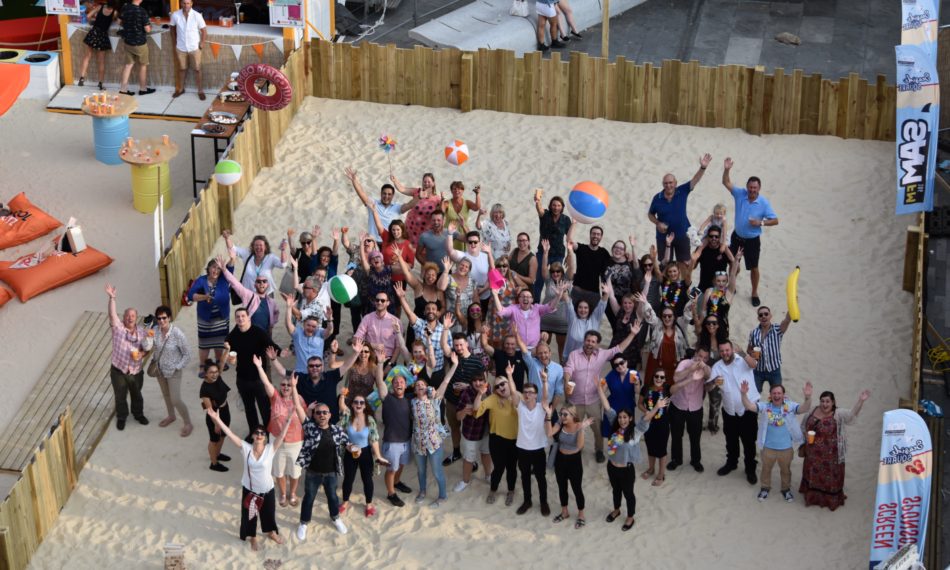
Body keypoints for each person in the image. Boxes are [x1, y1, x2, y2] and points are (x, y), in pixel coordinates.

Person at [206, 405, 292, 550]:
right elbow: (230, 434)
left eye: (262, 433)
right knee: (250, 517)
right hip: (250, 490)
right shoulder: (245, 448)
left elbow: (282, 436)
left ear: (265, 437)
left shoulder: (270, 449)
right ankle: (253, 537)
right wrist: (217, 419)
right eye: (256, 433)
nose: (259, 435)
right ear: (252, 435)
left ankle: (271, 533)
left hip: (267, 490)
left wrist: (289, 419)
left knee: (269, 514)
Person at [595, 379, 667, 531]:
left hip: (626, 469)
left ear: (630, 419)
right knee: (615, 491)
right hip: (612, 467)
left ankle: (630, 517)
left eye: (625, 417)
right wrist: (599, 390)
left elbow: (646, 418)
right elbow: (607, 407)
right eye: (620, 417)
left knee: (628, 494)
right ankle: (616, 510)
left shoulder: (635, 432)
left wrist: (656, 407)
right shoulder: (615, 425)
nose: (622, 420)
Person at [563, 326, 641, 463]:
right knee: (575, 427)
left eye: (593, 342)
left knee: (598, 429)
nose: (590, 344)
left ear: (597, 344)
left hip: (593, 400)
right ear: (584, 341)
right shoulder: (574, 355)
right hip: (575, 400)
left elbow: (618, 349)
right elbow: (568, 369)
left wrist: (632, 334)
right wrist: (567, 380)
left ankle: (599, 450)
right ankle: (578, 448)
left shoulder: (602, 354)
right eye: (588, 340)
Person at [722, 157, 779, 307]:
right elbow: (726, 183)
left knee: (754, 267)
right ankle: (731, 286)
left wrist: (761, 222)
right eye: (750, 187)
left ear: (759, 188)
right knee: (733, 262)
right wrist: (727, 169)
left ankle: (754, 293)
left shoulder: (764, 203)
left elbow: (775, 220)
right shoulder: (740, 194)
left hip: (753, 240)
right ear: (747, 187)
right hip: (737, 237)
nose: (752, 190)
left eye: (755, 187)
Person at [741, 381, 812, 502]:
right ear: (770, 395)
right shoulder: (764, 406)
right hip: (768, 447)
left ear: (783, 395)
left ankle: (786, 489)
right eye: (774, 393)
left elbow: (804, 408)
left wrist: (808, 397)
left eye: (779, 393)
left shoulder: (790, 406)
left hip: (786, 448)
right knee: (766, 470)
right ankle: (765, 488)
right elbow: (749, 406)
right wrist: (743, 394)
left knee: (786, 471)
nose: (776, 395)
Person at [800, 389, 870, 510]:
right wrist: (806, 433)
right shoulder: (813, 410)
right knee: (813, 476)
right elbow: (804, 425)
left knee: (830, 479)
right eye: (822, 401)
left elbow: (852, 413)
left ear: (833, 402)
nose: (825, 404)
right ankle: (813, 497)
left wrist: (861, 401)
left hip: (831, 456)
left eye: (827, 401)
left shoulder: (838, 413)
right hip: (812, 455)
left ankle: (830, 500)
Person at [253, 354, 305, 509]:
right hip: (277, 442)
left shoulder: (299, 399)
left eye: (289, 385)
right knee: (279, 471)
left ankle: (293, 492)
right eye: (283, 384)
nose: (286, 387)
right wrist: (259, 367)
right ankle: (283, 493)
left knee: (295, 472)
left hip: (296, 442)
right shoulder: (275, 397)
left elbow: (305, 415)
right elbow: (267, 384)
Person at [295, 402, 352, 538]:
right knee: (308, 498)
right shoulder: (309, 428)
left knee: (332, 497)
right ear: (314, 415)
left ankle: (336, 518)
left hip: (331, 474)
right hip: (312, 474)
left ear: (329, 415)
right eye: (319, 412)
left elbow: (348, 444)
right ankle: (303, 523)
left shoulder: (337, 430)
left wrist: (355, 448)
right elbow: (298, 407)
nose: (322, 414)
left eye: (324, 412)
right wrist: (294, 386)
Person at [222, 308, 282, 440]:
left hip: (259, 380)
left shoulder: (258, 332)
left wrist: (281, 352)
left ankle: (269, 434)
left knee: (265, 409)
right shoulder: (234, 334)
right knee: (249, 410)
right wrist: (228, 356)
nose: (240, 319)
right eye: (238, 316)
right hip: (242, 380)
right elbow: (227, 343)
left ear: (248, 318)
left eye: (243, 316)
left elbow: (270, 344)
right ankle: (254, 433)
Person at [411, 352, 459, 508]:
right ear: (415, 390)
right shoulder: (411, 403)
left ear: (427, 388)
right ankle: (423, 492)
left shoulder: (435, 399)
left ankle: (442, 497)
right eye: (418, 386)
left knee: (437, 472)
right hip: (419, 444)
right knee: (420, 472)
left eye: (423, 385)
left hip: (434, 443)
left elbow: (445, 381)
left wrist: (454, 365)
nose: (420, 387)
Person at [708, 341, 760, 484]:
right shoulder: (717, 367)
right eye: (722, 351)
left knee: (749, 441)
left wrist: (743, 353)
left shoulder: (741, 360)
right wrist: (712, 383)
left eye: (727, 350)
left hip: (748, 408)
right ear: (719, 352)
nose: (725, 353)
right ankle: (732, 462)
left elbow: (754, 365)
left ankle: (750, 468)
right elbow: (708, 387)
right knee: (731, 439)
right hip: (729, 410)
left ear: (732, 350)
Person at [648, 153, 713, 262]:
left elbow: (695, 180)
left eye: (671, 183)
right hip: (663, 237)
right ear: (663, 184)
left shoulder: (682, 191)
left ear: (676, 183)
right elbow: (650, 214)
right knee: (665, 264)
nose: (669, 185)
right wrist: (658, 223)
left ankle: (682, 280)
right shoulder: (657, 198)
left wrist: (703, 167)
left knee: (685, 263)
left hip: (682, 234)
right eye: (666, 183)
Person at [105, 284, 153, 430]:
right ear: (124, 317)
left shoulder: (142, 332)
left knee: (137, 395)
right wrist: (112, 297)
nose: (130, 318)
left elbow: (147, 348)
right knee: (120, 397)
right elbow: (112, 314)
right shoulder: (118, 328)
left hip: (136, 371)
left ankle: (138, 414)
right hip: (118, 371)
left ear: (136, 318)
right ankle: (121, 417)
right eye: (127, 315)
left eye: (132, 316)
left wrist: (142, 354)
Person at [439, 321, 488, 465]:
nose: (459, 348)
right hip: (452, 400)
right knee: (454, 427)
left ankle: (471, 458)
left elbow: (484, 385)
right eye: (456, 345)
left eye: (461, 344)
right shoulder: (453, 357)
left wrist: (467, 386)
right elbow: (443, 346)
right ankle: (456, 452)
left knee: (469, 432)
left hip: (470, 402)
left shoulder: (477, 362)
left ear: (467, 344)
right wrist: (446, 328)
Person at [474, 364, 521, 506]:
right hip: (497, 439)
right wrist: (480, 394)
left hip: (515, 440)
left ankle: (511, 491)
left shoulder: (518, 397)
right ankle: (493, 489)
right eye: (497, 386)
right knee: (499, 467)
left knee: (512, 467)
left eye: (503, 384)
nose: (501, 387)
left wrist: (510, 376)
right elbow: (476, 408)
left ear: (508, 384)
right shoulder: (493, 399)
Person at [544, 401, 594, 529]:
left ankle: (581, 515)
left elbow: (580, 446)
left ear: (573, 415)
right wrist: (549, 415)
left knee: (576, 488)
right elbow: (549, 433)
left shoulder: (579, 426)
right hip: (561, 459)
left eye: (565, 414)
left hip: (574, 460)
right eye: (561, 414)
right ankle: (564, 512)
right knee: (562, 487)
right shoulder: (560, 423)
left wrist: (582, 429)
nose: (562, 417)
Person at [374, 360, 417, 507]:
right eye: (396, 382)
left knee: (401, 465)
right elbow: (379, 381)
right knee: (391, 470)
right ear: (392, 386)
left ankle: (397, 483)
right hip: (391, 442)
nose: (399, 384)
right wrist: (380, 363)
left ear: (406, 385)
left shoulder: (410, 398)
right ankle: (391, 493)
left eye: (401, 382)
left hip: (406, 440)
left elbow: (424, 390)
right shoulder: (388, 398)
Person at [337, 393, 387, 517]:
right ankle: (345, 503)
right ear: (352, 404)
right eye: (356, 402)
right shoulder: (348, 417)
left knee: (367, 480)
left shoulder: (369, 420)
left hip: (366, 453)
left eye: (362, 402)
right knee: (348, 479)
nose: (359, 404)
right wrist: (343, 395)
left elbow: (374, 440)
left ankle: (368, 505)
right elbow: (341, 406)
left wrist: (379, 456)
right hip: (350, 452)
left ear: (365, 406)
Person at [344, 166, 416, 245]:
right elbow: (361, 193)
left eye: (389, 194)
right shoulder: (372, 203)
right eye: (384, 193)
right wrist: (354, 180)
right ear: (381, 194)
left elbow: (409, 205)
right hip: (372, 243)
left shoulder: (397, 207)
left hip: (389, 243)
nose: (386, 196)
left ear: (393, 196)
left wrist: (419, 197)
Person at [149, 304, 193, 436]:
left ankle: (187, 423)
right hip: (160, 370)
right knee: (166, 395)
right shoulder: (155, 330)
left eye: (164, 317)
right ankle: (171, 416)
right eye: (159, 318)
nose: (161, 321)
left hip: (174, 372)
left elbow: (187, 353)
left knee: (176, 399)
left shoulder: (177, 334)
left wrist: (178, 367)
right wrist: (147, 338)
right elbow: (148, 346)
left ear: (169, 318)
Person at [296, 338, 361, 425]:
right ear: (307, 368)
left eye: (318, 365)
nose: (315, 367)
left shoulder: (330, 376)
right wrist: (274, 359)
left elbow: (345, 366)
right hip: (309, 423)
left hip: (330, 422)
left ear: (322, 367)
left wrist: (356, 353)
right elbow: (282, 371)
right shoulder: (300, 378)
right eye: (311, 366)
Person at [494, 274, 567, 351]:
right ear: (519, 299)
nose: (525, 298)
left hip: (533, 349)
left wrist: (558, 296)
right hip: (516, 348)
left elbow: (551, 307)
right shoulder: (513, 308)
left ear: (532, 300)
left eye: (528, 296)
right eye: (522, 296)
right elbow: (501, 311)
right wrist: (495, 295)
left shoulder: (537, 308)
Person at [188, 258, 233, 378]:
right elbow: (190, 295)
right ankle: (203, 365)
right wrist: (204, 297)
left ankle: (219, 360)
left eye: (218, 267)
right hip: (205, 318)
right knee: (204, 342)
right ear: (208, 268)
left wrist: (232, 258)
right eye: (214, 267)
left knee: (220, 340)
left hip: (222, 317)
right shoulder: (201, 280)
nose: (216, 270)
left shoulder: (224, 278)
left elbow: (231, 268)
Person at [668, 347, 711, 473]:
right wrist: (691, 369)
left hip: (695, 407)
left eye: (705, 358)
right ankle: (676, 459)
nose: (702, 359)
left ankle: (695, 460)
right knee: (676, 434)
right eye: (700, 356)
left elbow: (708, 379)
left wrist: (703, 367)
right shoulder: (685, 363)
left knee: (695, 436)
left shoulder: (706, 369)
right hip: (678, 405)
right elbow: (676, 378)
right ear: (696, 354)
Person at [640, 292, 694, 391]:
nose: (667, 318)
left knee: (675, 394)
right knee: (655, 392)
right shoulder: (657, 324)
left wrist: (692, 301)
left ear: (674, 317)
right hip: (657, 364)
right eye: (664, 316)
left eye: (670, 316)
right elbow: (650, 316)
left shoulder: (680, 323)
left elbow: (687, 314)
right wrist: (645, 302)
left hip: (677, 365)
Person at [219, 253, 279, 340]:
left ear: (268, 285)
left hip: (264, 336)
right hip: (249, 336)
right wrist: (224, 270)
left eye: (264, 281)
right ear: (254, 285)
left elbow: (276, 312)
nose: (261, 283)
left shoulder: (271, 302)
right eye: (258, 281)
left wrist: (271, 325)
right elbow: (235, 284)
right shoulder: (248, 295)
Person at [515, 372, 550, 516]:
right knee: (525, 477)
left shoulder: (541, 407)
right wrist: (510, 376)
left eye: (530, 392)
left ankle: (543, 502)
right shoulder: (520, 406)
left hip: (538, 449)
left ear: (536, 395)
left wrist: (545, 381)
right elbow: (512, 391)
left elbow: (546, 397)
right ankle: (527, 501)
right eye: (525, 392)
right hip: (522, 449)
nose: (527, 394)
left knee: (541, 477)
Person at [453, 371, 493, 493]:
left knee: (486, 454)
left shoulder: (488, 389)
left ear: (485, 381)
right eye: (475, 381)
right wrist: (465, 411)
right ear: (471, 383)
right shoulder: (466, 394)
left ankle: (488, 476)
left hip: (486, 431)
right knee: (469, 459)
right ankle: (465, 481)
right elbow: (458, 417)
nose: (478, 383)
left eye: (480, 380)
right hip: (471, 433)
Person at [392, 257, 444, 346]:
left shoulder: (439, 291)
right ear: (424, 275)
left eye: (433, 275)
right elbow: (406, 273)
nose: (430, 277)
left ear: (436, 277)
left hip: (433, 324)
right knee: (412, 352)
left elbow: (444, 307)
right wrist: (400, 256)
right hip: (416, 324)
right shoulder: (418, 286)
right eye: (428, 274)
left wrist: (438, 315)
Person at [394, 281, 445, 370]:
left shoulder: (444, 329)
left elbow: (448, 353)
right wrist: (401, 297)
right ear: (424, 312)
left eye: (433, 309)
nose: (431, 311)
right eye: (428, 309)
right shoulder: (420, 325)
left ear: (438, 313)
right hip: (419, 369)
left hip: (437, 371)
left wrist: (443, 371)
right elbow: (409, 313)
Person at [283, 291, 332, 380]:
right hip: (300, 373)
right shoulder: (297, 333)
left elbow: (329, 331)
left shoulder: (320, 333)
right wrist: (289, 308)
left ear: (317, 327)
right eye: (308, 325)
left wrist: (329, 319)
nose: (310, 328)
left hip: (318, 373)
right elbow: (288, 324)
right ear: (304, 324)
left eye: (313, 326)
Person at [533, 193, 572, 301]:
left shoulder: (565, 219)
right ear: (551, 206)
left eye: (559, 205)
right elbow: (540, 210)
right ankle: (536, 305)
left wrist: (569, 255)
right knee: (539, 280)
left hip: (558, 254)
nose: (556, 208)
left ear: (562, 207)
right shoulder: (545, 214)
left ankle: (557, 305)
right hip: (543, 252)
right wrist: (537, 201)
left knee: (557, 280)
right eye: (554, 205)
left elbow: (569, 238)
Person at [224, 232, 288, 296]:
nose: (258, 247)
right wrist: (227, 238)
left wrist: (283, 250)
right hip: (249, 295)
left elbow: (283, 265)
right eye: (256, 245)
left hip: (266, 294)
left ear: (265, 247)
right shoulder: (247, 254)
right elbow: (232, 249)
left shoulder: (271, 257)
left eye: (261, 245)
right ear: (253, 246)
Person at [637, 367, 672, 486]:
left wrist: (692, 378)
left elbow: (680, 386)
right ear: (653, 377)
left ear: (665, 379)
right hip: (649, 423)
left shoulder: (667, 389)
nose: (659, 378)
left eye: (662, 377)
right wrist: (646, 410)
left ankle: (661, 475)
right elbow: (640, 403)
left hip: (662, 424)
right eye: (656, 376)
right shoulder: (646, 388)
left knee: (661, 450)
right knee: (650, 447)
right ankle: (651, 470)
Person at [566, 222, 612, 310]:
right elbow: (569, 241)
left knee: (593, 322)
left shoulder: (604, 253)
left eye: (598, 234)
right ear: (590, 235)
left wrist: (627, 256)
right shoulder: (582, 249)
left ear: (601, 237)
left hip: (593, 295)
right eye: (593, 233)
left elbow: (612, 262)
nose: (595, 236)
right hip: (577, 293)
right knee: (573, 320)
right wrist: (574, 224)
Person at [748, 306, 793, 394]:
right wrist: (751, 353)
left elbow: (787, 320)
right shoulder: (754, 333)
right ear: (758, 318)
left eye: (766, 314)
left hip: (774, 370)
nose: (763, 316)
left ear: (770, 316)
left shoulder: (777, 329)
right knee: (755, 395)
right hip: (758, 371)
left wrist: (793, 304)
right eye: (761, 315)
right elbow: (749, 349)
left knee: (777, 395)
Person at [538, 240, 572, 356]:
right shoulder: (548, 280)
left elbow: (572, 266)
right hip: (546, 320)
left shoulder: (567, 279)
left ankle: (562, 373)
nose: (555, 273)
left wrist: (570, 251)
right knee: (543, 350)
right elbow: (543, 267)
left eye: (558, 271)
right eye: (553, 271)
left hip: (562, 322)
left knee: (562, 351)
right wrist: (546, 252)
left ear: (562, 272)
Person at [563, 280, 609, 364]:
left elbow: (602, 304)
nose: (583, 310)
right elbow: (568, 304)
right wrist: (563, 291)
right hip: (573, 360)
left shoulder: (594, 318)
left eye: (585, 308)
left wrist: (606, 293)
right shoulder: (573, 319)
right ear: (576, 309)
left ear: (589, 309)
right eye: (580, 307)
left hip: (590, 360)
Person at [391, 171, 441, 247]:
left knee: (421, 254)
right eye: (425, 182)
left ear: (434, 183)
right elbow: (402, 189)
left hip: (424, 232)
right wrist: (394, 181)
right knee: (406, 249)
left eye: (429, 182)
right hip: (410, 227)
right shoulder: (417, 192)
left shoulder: (437, 200)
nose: (426, 184)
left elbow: (439, 217)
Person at [169, 0, 207, 99]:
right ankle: (181, 89)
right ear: (181, 3)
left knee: (197, 69)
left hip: (194, 47)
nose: (186, 5)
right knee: (182, 69)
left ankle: (200, 91)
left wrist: (201, 45)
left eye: (188, 3)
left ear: (191, 4)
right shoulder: (175, 15)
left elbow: (204, 31)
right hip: (181, 47)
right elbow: (172, 29)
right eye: (184, 3)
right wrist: (174, 43)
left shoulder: (197, 15)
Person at [699, 248, 741, 335]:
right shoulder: (709, 291)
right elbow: (703, 311)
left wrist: (736, 259)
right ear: (715, 281)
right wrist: (699, 327)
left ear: (726, 282)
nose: (721, 283)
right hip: (708, 326)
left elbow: (733, 275)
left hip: (722, 327)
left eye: (723, 281)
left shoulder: (728, 292)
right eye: (718, 281)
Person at [116, 0, 155, 96]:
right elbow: (147, 30)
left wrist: (129, 27)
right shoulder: (142, 11)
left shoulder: (125, 7)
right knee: (143, 65)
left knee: (128, 65)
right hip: (140, 43)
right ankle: (143, 89)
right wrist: (150, 25)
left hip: (128, 42)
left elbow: (118, 22)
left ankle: (123, 89)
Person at [697, 313, 727, 435]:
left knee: (716, 401)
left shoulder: (722, 340)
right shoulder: (702, 338)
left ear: (718, 325)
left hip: (718, 374)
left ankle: (712, 424)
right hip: (702, 373)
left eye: (714, 323)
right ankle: (698, 424)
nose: (711, 325)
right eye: (708, 323)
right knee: (699, 399)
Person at [199, 360, 231, 472]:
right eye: (211, 372)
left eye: (216, 372)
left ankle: (217, 454)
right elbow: (209, 409)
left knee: (222, 436)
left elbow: (222, 361)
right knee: (214, 439)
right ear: (205, 373)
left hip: (225, 410)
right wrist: (216, 423)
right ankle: (214, 463)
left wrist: (227, 350)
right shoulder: (205, 388)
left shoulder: (218, 378)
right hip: (214, 415)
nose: (214, 374)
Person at [600, 354, 641, 439]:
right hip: (613, 406)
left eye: (621, 363)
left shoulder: (634, 373)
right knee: (612, 434)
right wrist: (600, 385)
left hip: (628, 407)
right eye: (616, 365)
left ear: (626, 362)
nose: (619, 366)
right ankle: (612, 451)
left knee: (626, 434)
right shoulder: (612, 374)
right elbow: (602, 391)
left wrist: (636, 383)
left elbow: (638, 391)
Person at [77, 0, 116, 90]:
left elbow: (88, 16)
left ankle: (81, 78)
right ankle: (101, 84)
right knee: (101, 62)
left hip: (94, 33)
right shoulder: (115, 12)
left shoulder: (99, 7)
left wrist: (91, 23)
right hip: (103, 36)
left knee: (86, 56)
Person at [448, 232, 495, 307]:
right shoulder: (462, 256)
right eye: (470, 242)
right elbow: (450, 250)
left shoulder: (486, 256)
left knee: (482, 317)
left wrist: (485, 288)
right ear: (467, 243)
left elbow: (492, 273)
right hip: (467, 297)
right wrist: (450, 233)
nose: (473, 244)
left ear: (479, 243)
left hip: (485, 295)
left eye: (475, 242)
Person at [605, 236, 641, 329]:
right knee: (615, 326)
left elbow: (637, 264)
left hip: (627, 301)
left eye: (621, 249)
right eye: (616, 247)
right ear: (612, 249)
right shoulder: (606, 261)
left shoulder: (629, 262)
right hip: (610, 300)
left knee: (627, 326)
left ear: (624, 252)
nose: (618, 250)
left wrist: (633, 247)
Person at [483, 255, 519, 347]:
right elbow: (491, 267)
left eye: (504, 265)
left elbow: (526, 285)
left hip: (510, 315)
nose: (502, 268)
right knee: (497, 342)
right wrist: (489, 252)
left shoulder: (513, 275)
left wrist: (521, 288)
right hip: (496, 315)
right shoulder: (493, 277)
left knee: (509, 342)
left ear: (508, 267)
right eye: (499, 266)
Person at [354, 291, 401, 360]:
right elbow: (355, 339)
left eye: (382, 301)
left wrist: (391, 364)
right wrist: (370, 345)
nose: (379, 302)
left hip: (388, 358)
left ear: (388, 303)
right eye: (377, 300)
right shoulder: (367, 318)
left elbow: (398, 346)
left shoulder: (396, 321)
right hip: (370, 357)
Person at [606, 290, 644, 371]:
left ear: (634, 304)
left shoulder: (638, 314)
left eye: (630, 303)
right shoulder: (619, 312)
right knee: (616, 372)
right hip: (617, 347)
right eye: (625, 303)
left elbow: (643, 300)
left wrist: (647, 283)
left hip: (631, 350)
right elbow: (612, 296)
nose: (627, 305)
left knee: (629, 374)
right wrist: (608, 279)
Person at [689, 225, 734, 293]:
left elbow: (734, 267)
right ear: (707, 237)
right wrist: (691, 262)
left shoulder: (725, 250)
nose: (714, 238)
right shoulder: (702, 249)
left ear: (720, 238)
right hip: (703, 287)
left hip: (720, 288)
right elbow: (694, 266)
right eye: (711, 236)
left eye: (716, 236)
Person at [359, 232, 395, 317]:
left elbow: (406, 269)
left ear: (381, 259)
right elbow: (363, 260)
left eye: (377, 257)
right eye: (372, 258)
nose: (375, 259)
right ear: (370, 262)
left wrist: (399, 257)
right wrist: (361, 244)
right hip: (373, 304)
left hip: (387, 303)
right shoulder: (370, 270)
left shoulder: (389, 269)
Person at [440, 255, 476, 332]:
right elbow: (441, 287)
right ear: (457, 265)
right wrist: (446, 270)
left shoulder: (472, 281)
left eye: (466, 266)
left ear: (469, 269)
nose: (463, 268)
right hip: (450, 319)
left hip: (466, 319)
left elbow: (476, 300)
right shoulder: (448, 278)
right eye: (462, 265)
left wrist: (477, 318)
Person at [443, 181, 482, 250]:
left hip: (464, 231)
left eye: (459, 189)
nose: (457, 190)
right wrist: (441, 201)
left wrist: (477, 194)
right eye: (454, 189)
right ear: (451, 191)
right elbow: (441, 210)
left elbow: (477, 207)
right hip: (450, 232)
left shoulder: (467, 202)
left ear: (462, 191)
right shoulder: (447, 203)